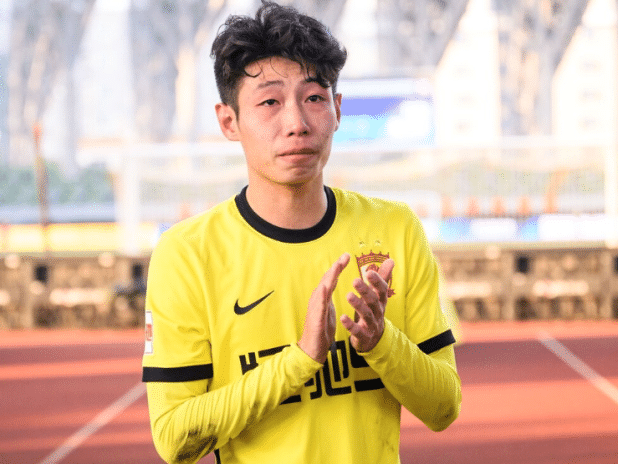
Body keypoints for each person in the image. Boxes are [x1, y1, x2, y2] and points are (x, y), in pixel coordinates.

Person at [142, 1, 461, 463]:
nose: (296, 123)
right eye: (269, 102)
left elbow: (444, 407)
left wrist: (381, 343)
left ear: (337, 109)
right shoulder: (187, 254)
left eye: (313, 98)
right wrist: (300, 359)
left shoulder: (394, 229)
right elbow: (174, 439)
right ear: (229, 121)